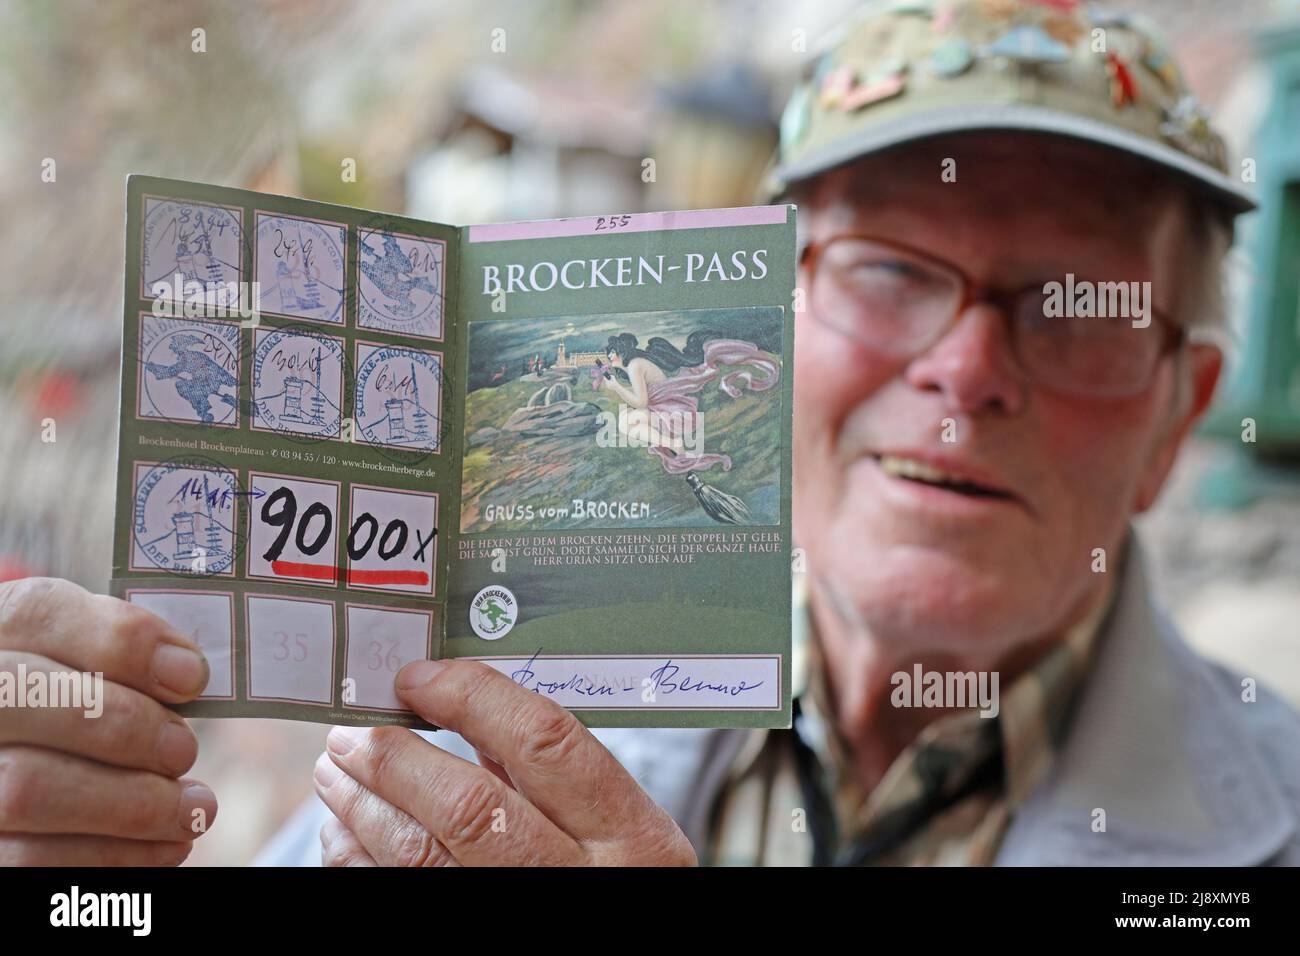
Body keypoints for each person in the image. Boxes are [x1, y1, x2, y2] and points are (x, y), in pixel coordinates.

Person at [2, 0, 1298, 867]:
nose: (965, 369)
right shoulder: (485, 690)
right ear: (772, 319)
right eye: (891, 272)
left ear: (1179, 416)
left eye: (1075, 308)